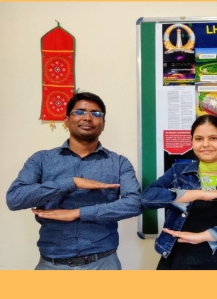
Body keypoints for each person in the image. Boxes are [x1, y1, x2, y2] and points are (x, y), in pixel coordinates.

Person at [6, 91, 141, 270]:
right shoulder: (41, 160)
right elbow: (15, 198)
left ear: (103, 124)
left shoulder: (118, 163)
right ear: (66, 120)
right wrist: (71, 182)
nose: (87, 118)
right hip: (51, 264)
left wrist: (79, 212)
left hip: (103, 263)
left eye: (96, 113)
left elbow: (134, 204)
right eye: (79, 112)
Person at [141, 115, 217, 270]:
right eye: (199, 139)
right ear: (192, 142)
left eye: (213, 138)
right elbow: (147, 198)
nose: (205, 144)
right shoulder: (178, 172)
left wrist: (204, 236)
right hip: (179, 259)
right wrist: (199, 194)